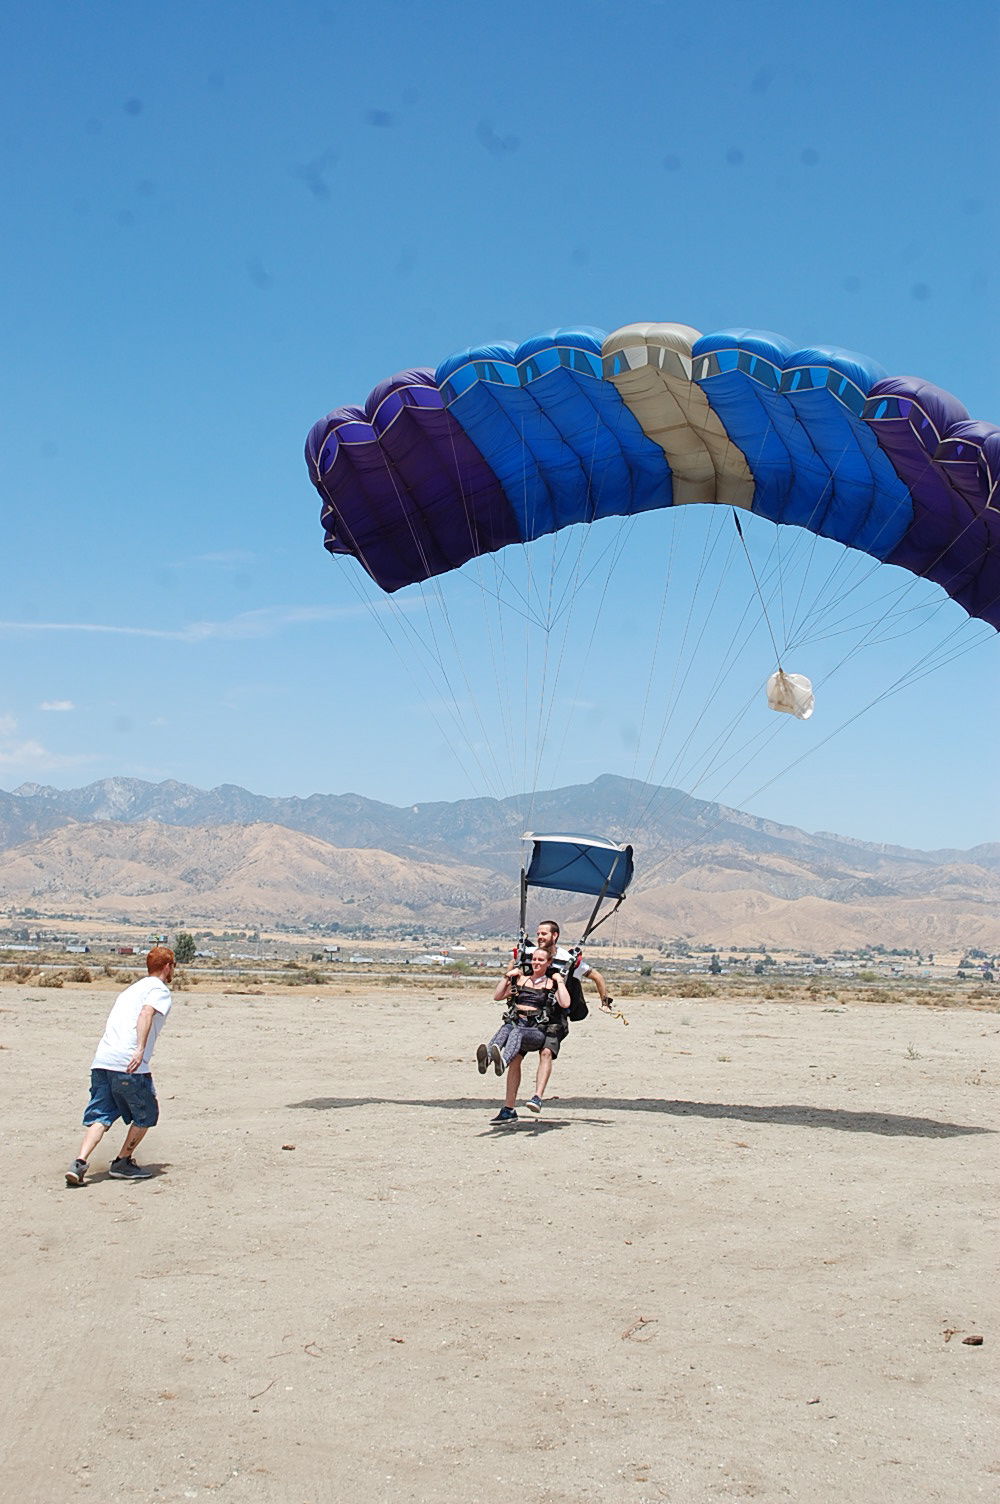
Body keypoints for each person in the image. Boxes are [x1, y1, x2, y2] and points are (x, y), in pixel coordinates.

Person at [65, 946, 176, 1185]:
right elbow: (146, 1013)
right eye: (173, 966)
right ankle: (123, 1162)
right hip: (129, 1064)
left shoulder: (130, 990)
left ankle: (80, 1162)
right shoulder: (159, 989)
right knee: (146, 1114)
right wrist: (139, 1049)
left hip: (103, 1061)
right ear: (168, 967)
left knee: (101, 1115)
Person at [485, 948, 570, 1123]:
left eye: (541, 960)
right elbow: (497, 996)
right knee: (507, 1028)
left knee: (515, 1031)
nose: (536, 963)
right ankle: (487, 1057)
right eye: (534, 959)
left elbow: (565, 1002)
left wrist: (560, 982)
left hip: (536, 1032)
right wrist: (508, 977)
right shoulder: (521, 980)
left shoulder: (550, 984)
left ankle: (503, 1062)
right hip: (518, 1024)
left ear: (548, 963)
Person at [535, 918, 612, 1014]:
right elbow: (514, 964)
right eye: (538, 934)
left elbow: (597, 977)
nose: (539, 937)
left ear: (554, 935)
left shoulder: (568, 959)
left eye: (544, 934)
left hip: (555, 1016)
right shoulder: (530, 954)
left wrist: (605, 1004)